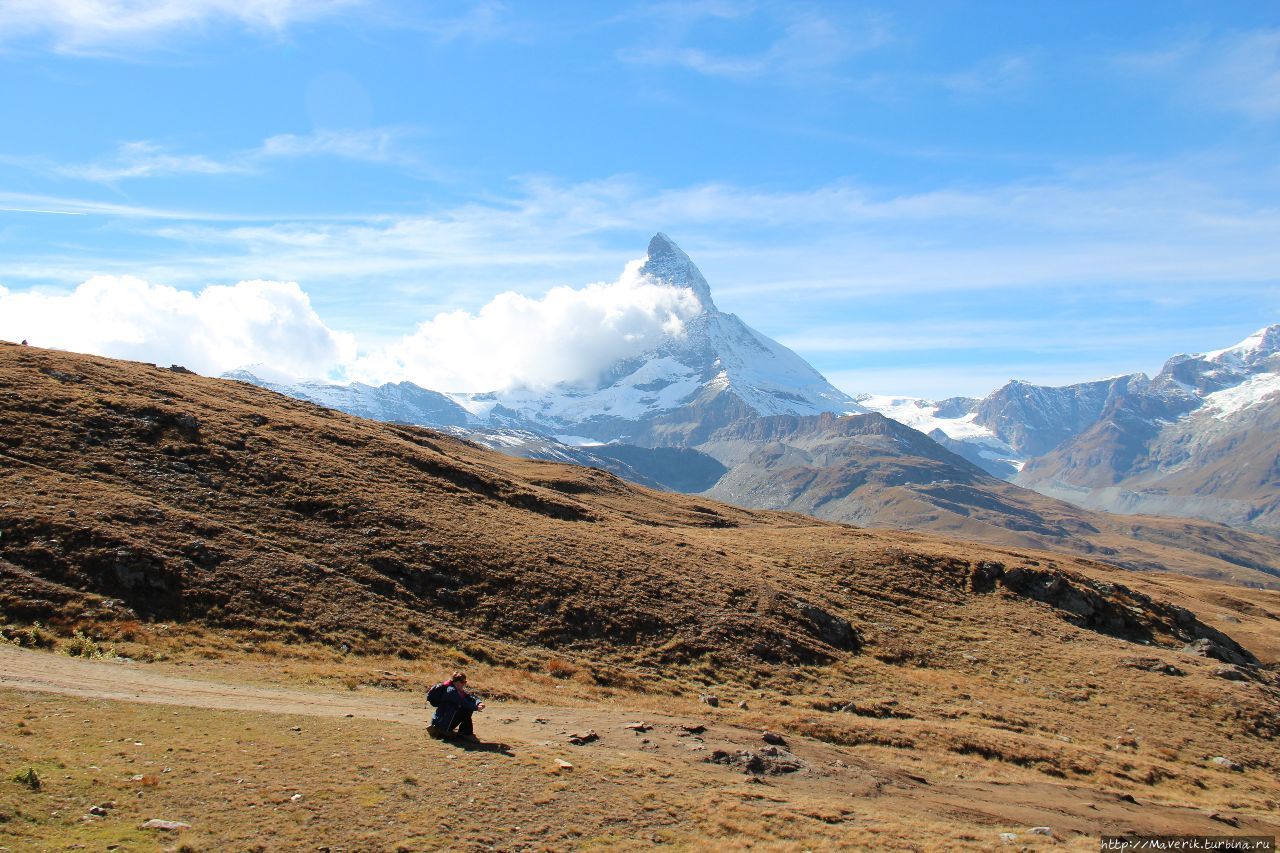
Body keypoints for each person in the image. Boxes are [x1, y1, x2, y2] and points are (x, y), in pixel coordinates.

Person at [427, 671, 484, 742]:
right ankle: (465, 733)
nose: (464, 684)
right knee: (466, 709)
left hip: (445, 719)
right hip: (442, 721)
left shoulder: (457, 690)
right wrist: (476, 707)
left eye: (465, 682)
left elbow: (470, 696)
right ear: (456, 682)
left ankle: (457, 732)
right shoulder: (451, 691)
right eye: (463, 682)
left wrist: (479, 702)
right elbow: (463, 702)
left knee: (467, 708)